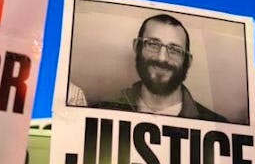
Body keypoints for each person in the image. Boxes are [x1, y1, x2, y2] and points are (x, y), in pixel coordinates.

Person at [95, 14, 226, 122]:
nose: (162, 58)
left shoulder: (217, 125)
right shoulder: (101, 111)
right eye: (153, 44)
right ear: (136, 47)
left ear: (188, 61)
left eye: (174, 50)